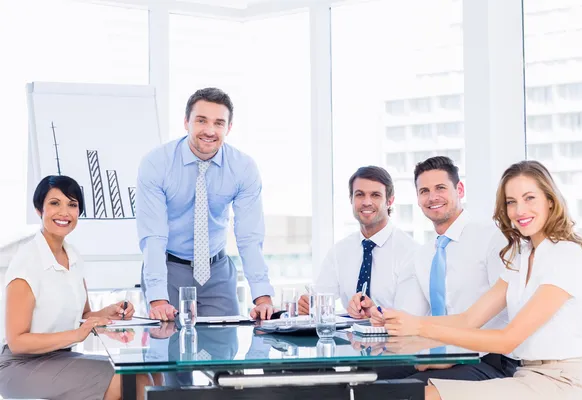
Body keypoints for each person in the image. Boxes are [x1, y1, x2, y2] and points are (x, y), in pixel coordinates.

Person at [379, 160, 582, 400]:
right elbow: (468, 319)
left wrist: (420, 328)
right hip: (527, 373)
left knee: (423, 396)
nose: (519, 211)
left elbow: (507, 340)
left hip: (563, 380)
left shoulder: (564, 253)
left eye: (529, 198)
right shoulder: (520, 256)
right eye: (511, 202)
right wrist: (404, 322)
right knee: (412, 391)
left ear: (550, 200)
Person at [0, 175, 156, 400]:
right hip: (20, 367)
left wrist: (107, 313)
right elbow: (17, 342)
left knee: (145, 375)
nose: (64, 212)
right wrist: (76, 334)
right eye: (55, 203)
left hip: (59, 358)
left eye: (72, 205)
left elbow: (84, 316)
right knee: (126, 381)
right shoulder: (26, 263)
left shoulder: (72, 256)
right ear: (38, 210)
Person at [371, 156, 518, 382]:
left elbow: (507, 311)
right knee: (367, 377)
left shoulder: (492, 238)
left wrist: (452, 356)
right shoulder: (423, 254)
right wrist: (384, 317)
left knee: (407, 388)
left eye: (440, 188)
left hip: (489, 358)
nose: (432, 197)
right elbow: (413, 317)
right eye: (424, 191)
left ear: (459, 189)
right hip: (437, 353)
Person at [137, 87, 275, 321]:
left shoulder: (243, 168)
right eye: (201, 120)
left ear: (228, 128)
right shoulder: (157, 163)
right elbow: (154, 236)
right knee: (167, 349)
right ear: (186, 122)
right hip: (169, 268)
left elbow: (249, 237)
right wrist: (158, 298)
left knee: (223, 351)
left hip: (217, 270)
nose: (210, 131)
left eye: (219, 123)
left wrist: (262, 296)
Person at [298, 166, 426, 318]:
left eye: (375, 195)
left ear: (390, 200)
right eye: (360, 195)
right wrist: (308, 304)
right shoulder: (340, 251)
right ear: (351, 199)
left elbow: (410, 316)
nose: (366, 202)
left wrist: (375, 312)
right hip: (349, 340)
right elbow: (321, 298)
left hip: (395, 340)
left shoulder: (410, 252)